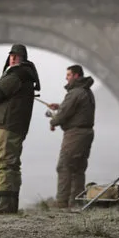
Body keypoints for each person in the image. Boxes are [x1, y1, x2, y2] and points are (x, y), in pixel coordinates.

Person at [0, 44, 41, 214]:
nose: (14, 58)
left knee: (4, 162)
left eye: (17, 55)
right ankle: (11, 202)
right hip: (18, 125)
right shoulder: (26, 76)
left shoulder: (17, 74)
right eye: (11, 55)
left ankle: (5, 204)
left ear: (23, 58)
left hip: (8, 124)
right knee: (13, 163)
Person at [48, 65, 96, 208]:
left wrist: (53, 121)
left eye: (68, 75)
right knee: (78, 169)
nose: (66, 78)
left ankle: (62, 202)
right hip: (86, 133)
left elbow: (63, 115)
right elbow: (72, 108)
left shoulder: (75, 92)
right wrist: (60, 106)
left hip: (75, 135)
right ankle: (77, 202)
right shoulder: (87, 91)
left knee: (64, 166)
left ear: (76, 76)